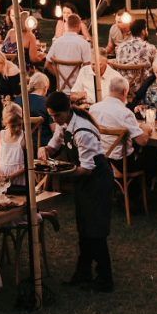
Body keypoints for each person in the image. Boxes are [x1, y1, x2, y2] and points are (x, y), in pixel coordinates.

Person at [41, 90, 114, 291]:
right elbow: (53, 146)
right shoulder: (64, 125)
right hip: (83, 179)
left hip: (97, 179)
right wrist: (44, 151)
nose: (55, 120)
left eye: (57, 115)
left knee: (95, 228)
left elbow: (87, 168)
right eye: (52, 116)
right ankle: (83, 272)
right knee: (84, 226)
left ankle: (105, 277)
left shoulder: (82, 131)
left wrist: (61, 173)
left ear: (66, 111)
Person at [89, 75, 149, 165]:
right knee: (152, 158)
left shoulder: (93, 108)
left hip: (98, 160)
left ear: (110, 90)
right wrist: (146, 128)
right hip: (121, 164)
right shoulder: (125, 113)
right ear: (125, 91)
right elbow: (142, 141)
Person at [47, 13, 95, 98]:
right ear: (79, 26)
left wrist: (60, 76)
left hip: (60, 90)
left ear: (66, 25)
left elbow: (47, 65)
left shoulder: (57, 42)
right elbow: (88, 68)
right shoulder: (84, 44)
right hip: (79, 91)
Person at [0, 103, 30, 190]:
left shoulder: (25, 138)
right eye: (13, 126)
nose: (17, 128)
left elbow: (29, 164)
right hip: (2, 179)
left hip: (20, 183)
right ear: (5, 123)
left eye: (19, 124)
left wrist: (12, 176)